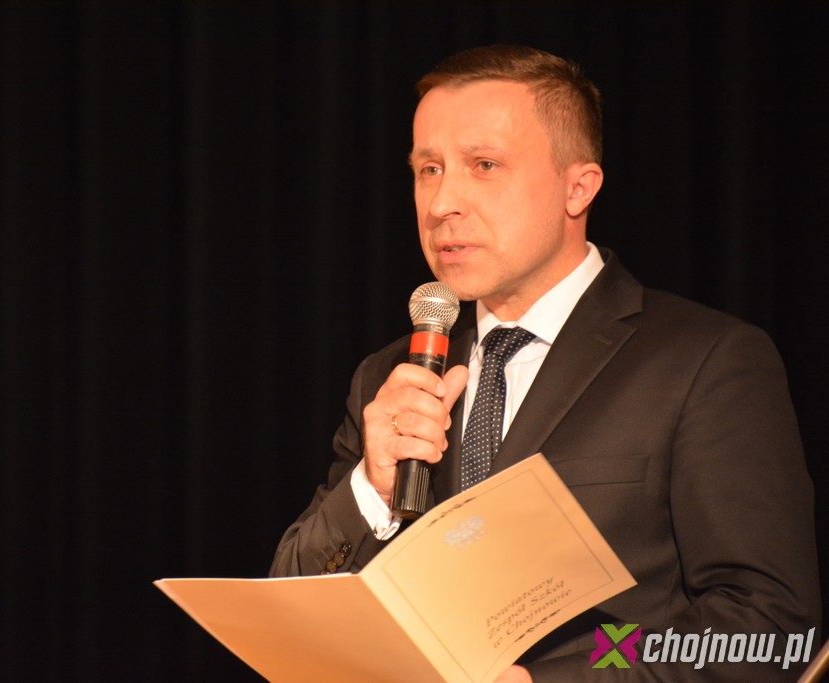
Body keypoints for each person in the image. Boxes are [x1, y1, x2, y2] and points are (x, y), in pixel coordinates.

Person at [269, 45, 820, 681]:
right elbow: (290, 613)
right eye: (428, 169)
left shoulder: (705, 361)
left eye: (484, 165)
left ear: (577, 187)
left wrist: (557, 679)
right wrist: (372, 488)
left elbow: (765, 628)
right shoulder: (391, 376)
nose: (442, 202)